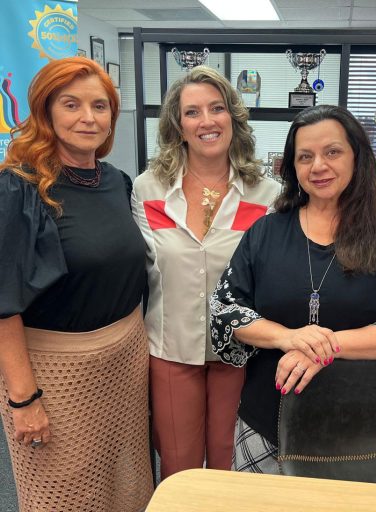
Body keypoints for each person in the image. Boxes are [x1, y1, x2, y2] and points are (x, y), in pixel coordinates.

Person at [210, 104, 376, 474]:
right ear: (293, 168)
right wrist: (287, 337)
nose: (318, 166)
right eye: (305, 156)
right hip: (268, 420)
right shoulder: (265, 234)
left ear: (356, 157)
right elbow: (224, 310)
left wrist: (325, 347)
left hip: (362, 427)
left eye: (332, 152)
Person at [0, 57, 153, 511]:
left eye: (100, 106)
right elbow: (4, 304)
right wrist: (23, 399)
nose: (88, 117)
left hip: (126, 360)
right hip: (57, 375)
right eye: (71, 104)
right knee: (64, 495)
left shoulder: (117, 182)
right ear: (45, 112)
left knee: (127, 485)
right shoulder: (19, 189)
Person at [131, 65, 280, 478]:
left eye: (217, 108)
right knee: (178, 468)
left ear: (233, 118)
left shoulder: (267, 194)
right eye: (192, 112)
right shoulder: (148, 190)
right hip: (171, 350)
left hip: (241, 353)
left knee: (230, 464)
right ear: (178, 126)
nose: (206, 121)